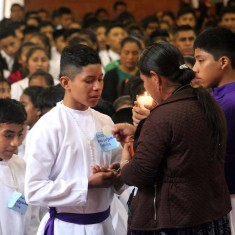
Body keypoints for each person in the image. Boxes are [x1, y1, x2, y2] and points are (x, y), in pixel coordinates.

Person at [112, 42, 231, 234]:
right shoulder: (207, 103)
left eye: (144, 80)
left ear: (155, 77)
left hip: (176, 220)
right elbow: (181, 144)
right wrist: (143, 129)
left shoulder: (163, 116)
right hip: (211, 213)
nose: (146, 87)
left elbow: (138, 173)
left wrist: (125, 161)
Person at [24, 44, 124, 235]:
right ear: (65, 82)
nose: (97, 87)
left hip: (104, 224)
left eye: (100, 79)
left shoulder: (105, 121)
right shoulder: (48, 127)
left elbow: (117, 166)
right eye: (89, 81)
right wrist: (87, 183)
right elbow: (33, 190)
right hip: (67, 226)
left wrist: (114, 172)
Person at [192, 26, 235, 235]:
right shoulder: (217, 98)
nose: (194, 68)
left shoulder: (228, 103)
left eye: (200, 60)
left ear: (223, 62)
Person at [0, 98, 35, 234]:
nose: (16, 143)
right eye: (8, 135)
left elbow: (34, 215)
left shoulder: (22, 166)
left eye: (19, 135)